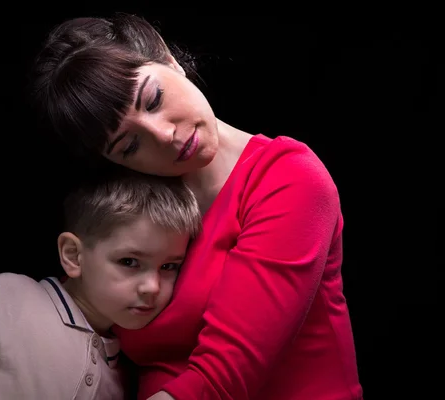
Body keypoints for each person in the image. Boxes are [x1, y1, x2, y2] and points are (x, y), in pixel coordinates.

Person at [29, 12, 364, 400]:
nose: (165, 135)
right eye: (130, 145)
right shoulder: (132, 211)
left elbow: (226, 375)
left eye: (153, 99)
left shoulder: (289, 178)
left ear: (168, 58)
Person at [0, 165, 201, 400]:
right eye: (130, 262)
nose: (152, 287)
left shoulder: (128, 369)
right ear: (73, 255)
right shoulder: (10, 297)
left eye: (169, 266)